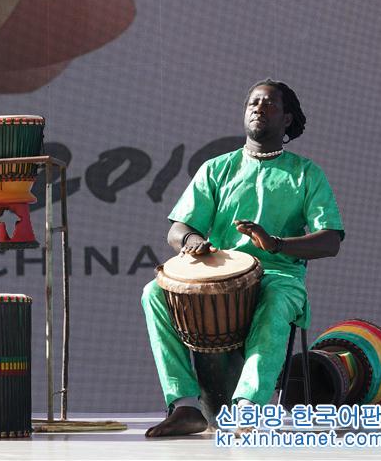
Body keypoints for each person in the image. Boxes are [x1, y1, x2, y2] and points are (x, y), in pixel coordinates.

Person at [141, 80, 344, 437]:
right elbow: (177, 228)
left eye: (269, 104)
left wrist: (275, 243)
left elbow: (330, 241)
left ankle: (248, 409)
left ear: (287, 120)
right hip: (215, 274)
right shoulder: (216, 169)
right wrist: (192, 241)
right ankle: (185, 406)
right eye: (253, 102)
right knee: (153, 293)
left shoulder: (306, 174)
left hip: (278, 275)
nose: (258, 108)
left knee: (275, 300)